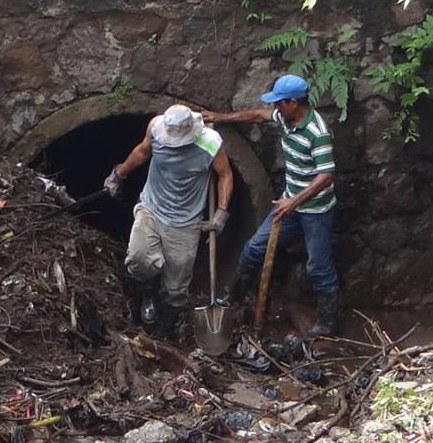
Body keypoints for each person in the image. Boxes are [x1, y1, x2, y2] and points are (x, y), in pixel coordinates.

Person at [213, 73, 342, 338]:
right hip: (289, 203)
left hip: (315, 210)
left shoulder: (317, 132)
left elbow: (326, 174)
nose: (275, 108)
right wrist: (218, 117)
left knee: (318, 266)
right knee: (253, 249)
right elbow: (258, 115)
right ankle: (233, 299)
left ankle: (327, 322)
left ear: (294, 103)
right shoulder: (285, 118)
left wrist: (293, 202)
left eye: (280, 103)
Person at [102, 104, 232, 332]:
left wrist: (221, 212)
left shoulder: (210, 142)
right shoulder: (156, 127)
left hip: (185, 221)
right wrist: (119, 174)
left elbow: (225, 175)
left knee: (176, 289)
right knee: (139, 259)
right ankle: (148, 295)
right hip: (151, 208)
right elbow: (142, 151)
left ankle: (167, 324)